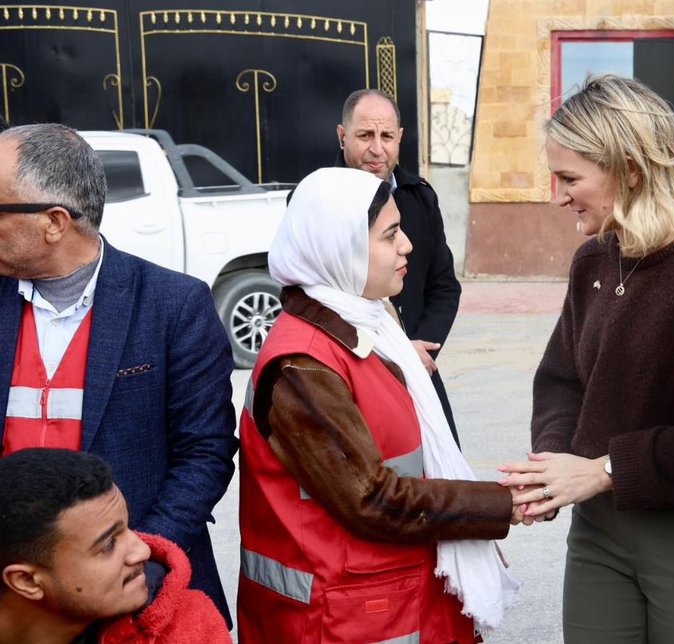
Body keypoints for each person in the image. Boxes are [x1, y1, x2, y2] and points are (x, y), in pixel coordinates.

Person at [498, 74, 674, 643]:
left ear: (630, 170)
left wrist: (601, 471)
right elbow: (561, 379)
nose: (558, 196)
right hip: (599, 527)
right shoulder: (593, 260)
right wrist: (552, 468)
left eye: (570, 178)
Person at [237, 166, 519, 643]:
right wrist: (500, 504)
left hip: (390, 601)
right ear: (340, 249)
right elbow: (373, 498)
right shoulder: (303, 365)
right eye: (390, 235)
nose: (406, 245)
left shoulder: (368, 326)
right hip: (341, 618)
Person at [0, 124, 238, 623]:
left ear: (54, 222)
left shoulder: (173, 306)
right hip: (16, 595)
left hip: (139, 591)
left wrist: (140, 562)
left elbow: (205, 453)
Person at [335, 88, 463, 446]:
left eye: (387, 136)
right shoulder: (318, 202)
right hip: (352, 373)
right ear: (343, 136)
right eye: (365, 135)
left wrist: (418, 351)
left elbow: (444, 286)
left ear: (400, 138)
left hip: (419, 368)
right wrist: (394, 352)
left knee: (442, 472)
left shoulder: (420, 197)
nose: (377, 149)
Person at [0, 448, 230, 644]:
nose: (143, 550)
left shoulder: (187, 629)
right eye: (109, 545)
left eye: (128, 527)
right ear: (26, 580)